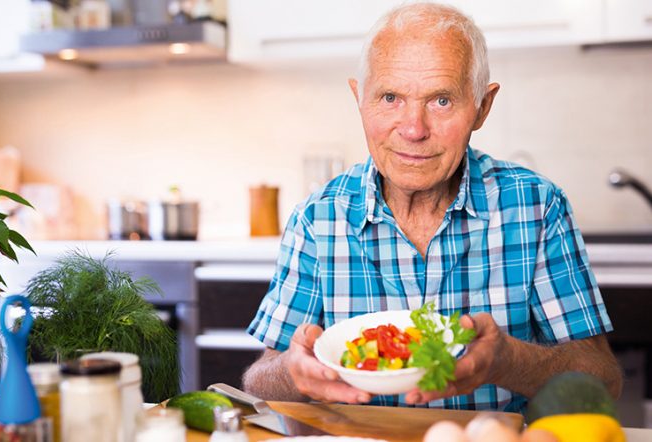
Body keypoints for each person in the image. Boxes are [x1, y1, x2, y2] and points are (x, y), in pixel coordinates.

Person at [243, 2, 622, 412]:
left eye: (441, 101)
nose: (413, 129)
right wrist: (293, 373)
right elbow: (260, 378)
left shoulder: (536, 207)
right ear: (360, 99)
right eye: (390, 97)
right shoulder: (317, 219)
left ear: (482, 107)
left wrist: (509, 361)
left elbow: (604, 380)